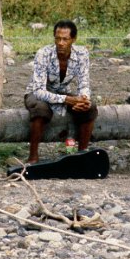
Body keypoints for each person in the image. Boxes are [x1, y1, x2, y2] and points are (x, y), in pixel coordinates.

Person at [24, 19, 98, 163]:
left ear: (73, 39)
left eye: (65, 39)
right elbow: (39, 90)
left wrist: (83, 99)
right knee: (40, 109)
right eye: (57, 39)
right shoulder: (43, 53)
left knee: (90, 108)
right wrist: (68, 100)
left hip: (63, 91)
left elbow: (84, 82)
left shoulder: (82, 54)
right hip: (38, 92)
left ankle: (81, 155)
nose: (60, 43)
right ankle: (33, 157)